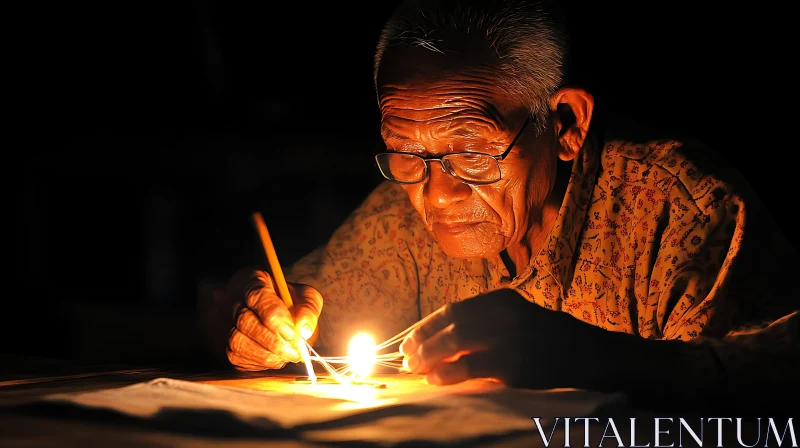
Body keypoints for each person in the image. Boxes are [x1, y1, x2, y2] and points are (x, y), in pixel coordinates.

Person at [198, 0, 799, 412]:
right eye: (406, 154)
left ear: (564, 124)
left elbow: (778, 384)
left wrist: (602, 360)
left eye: (473, 153)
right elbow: (287, 309)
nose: (435, 194)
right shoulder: (400, 212)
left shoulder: (681, 211)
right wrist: (258, 326)